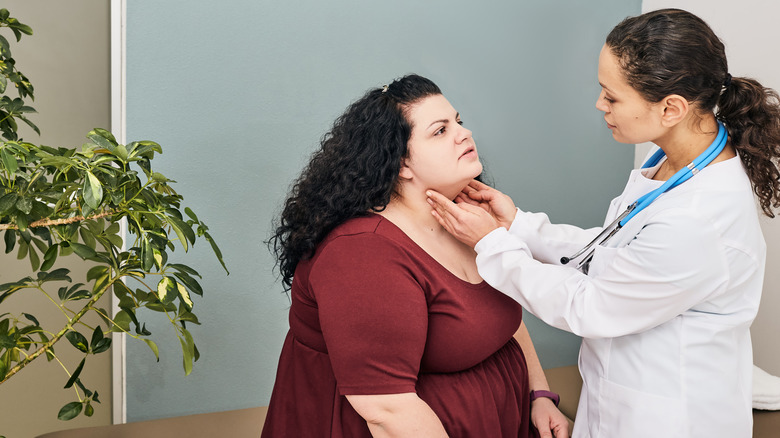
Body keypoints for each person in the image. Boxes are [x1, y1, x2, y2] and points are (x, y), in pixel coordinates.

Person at [427, 8, 780, 438]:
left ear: (671, 108)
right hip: (621, 398)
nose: (600, 104)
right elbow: (618, 250)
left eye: (612, 96)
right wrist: (519, 225)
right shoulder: (677, 163)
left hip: (673, 420)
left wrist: (494, 245)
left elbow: (588, 305)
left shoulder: (699, 217)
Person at [263, 74, 569, 437]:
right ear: (401, 163)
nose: (464, 134)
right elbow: (387, 410)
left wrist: (539, 394)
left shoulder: (466, 218)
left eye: (458, 121)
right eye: (440, 131)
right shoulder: (362, 255)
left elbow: (502, 317)